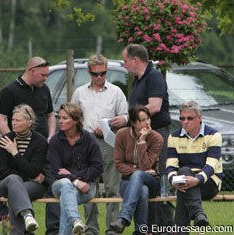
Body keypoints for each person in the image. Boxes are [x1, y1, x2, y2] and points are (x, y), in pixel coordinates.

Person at [0, 56, 58, 234]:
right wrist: (11, 140)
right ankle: (27, 221)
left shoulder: (44, 89)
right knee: (16, 185)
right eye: (43, 75)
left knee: (49, 185)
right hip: (17, 152)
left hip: (41, 147)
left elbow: (50, 115)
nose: (46, 78)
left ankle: (53, 230)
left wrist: (51, 136)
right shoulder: (10, 91)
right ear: (32, 71)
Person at [71, 54, 128, 235]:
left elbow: (125, 117)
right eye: (95, 74)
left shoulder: (116, 92)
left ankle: (112, 227)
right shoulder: (79, 92)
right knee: (89, 186)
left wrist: (112, 123)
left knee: (112, 186)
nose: (99, 77)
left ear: (106, 71)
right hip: (86, 142)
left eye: (102, 73)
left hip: (109, 141)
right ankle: (91, 228)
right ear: (89, 72)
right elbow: (72, 117)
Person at [122, 43, 172, 233]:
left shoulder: (154, 77)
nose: (125, 65)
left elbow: (155, 106)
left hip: (157, 134)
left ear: (135, 60)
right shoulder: (139, 79)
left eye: (126, 61)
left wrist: (128, 119)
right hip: (142, 136)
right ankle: (148, 228)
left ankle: (166, 228)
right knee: (144, 180)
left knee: (160, 182)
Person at [165, 101, 222, 231]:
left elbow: (212, 166)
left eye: (189, 118)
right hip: (185, 181)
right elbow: (170, 166)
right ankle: (198, 215)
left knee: (183, 189)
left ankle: (186, 224)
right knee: (184, 175)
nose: (185, 122)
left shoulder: (214, 135)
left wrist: (197, 180)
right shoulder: (173, 137)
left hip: (209, 182)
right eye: (182, 118)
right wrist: (173, 180)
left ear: (199, 118)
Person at [108, 105, 163, 234]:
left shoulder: (156, 138)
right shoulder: (122, 134)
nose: (147, 122)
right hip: (127, 182)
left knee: (140, 177)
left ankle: (123, 217)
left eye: (148, 118)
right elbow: (118, 163)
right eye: (143, 120)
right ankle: (141, 231)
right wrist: (137, 171)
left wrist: (142, 141)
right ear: (133, 122)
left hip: (152, 181)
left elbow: (145, 166)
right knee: (142, 191)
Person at [49, 103, 103, 235]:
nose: (60, 121)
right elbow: (56, 170)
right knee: (66, 185)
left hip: (87, 186)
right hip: (59, 185)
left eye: (65, 118)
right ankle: (75, 220)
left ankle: (75, 223)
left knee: (66, 199)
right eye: (60, 117)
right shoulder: (55, 141)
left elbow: (97, 168)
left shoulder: (90, 139)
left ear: (76, 120)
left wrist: (72, 175)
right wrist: (75, 180)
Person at [0, 104, 48, 234]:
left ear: (29, 122)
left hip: (34, 186)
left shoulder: (40, 142)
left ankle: (21, 229)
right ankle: (27, 214)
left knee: (16, 192)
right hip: (6, 184)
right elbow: (2, 171)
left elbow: (34, 170)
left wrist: (15, 153)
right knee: (14, 181)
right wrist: (28, 175)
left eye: (18, 120)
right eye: (12, 119)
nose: (13, 123)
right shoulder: (6, 139)